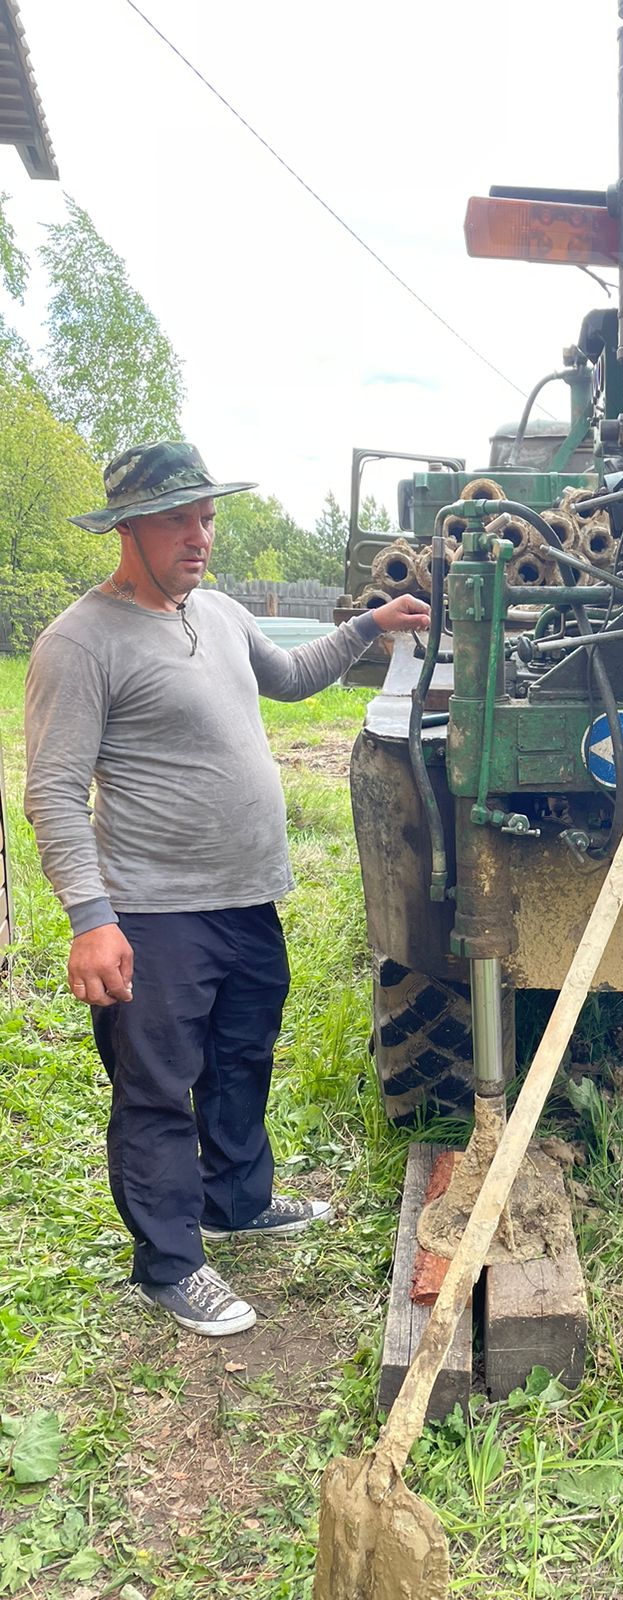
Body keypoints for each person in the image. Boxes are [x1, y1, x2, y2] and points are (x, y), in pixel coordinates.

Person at [24, 441, 429, 1338]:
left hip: (247, 900)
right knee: (157, 1086)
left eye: (207, 517)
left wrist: (371, 628)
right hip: (154, 911)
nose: (200, 535)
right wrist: (92, 921)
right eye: (180, 519)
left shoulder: (219, 610)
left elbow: (289, 680)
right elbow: (52, 791)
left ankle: (236, 1202)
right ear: (129, 527)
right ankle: (169, 1263)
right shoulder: (79, 642)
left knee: (242, 1058)